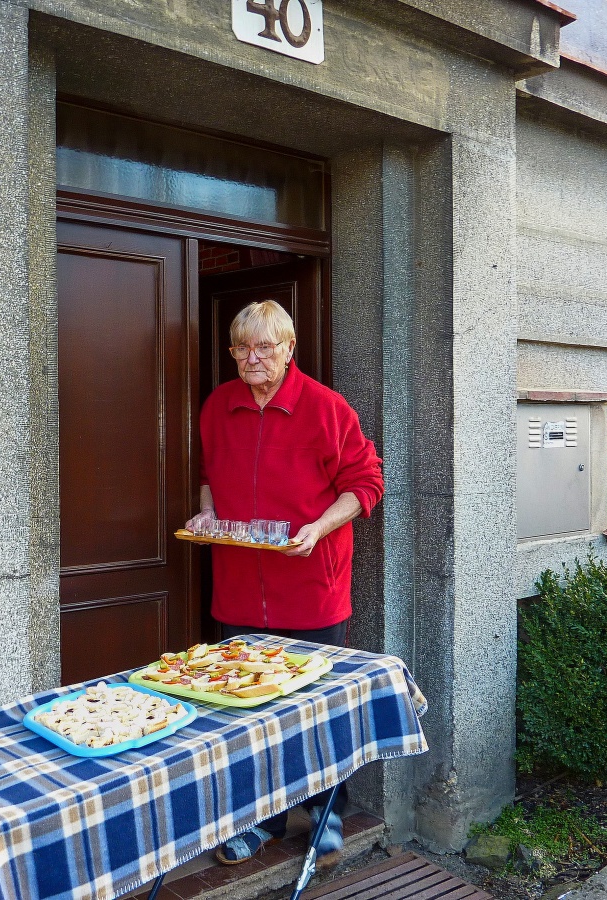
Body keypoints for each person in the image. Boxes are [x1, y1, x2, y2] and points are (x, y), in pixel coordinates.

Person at [186, 299, 384, 866]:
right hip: (240, 591)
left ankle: (327, 811)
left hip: (312, 590)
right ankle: (261, 821)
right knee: (246, 710)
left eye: (264, 347)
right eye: (241, 348)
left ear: (289, 348)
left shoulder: (326, 408)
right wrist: (208, 514)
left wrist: (318, 528)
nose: (252, 358)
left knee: (317, 707)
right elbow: (208, 476)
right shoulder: (219, 405)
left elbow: (367, 483)